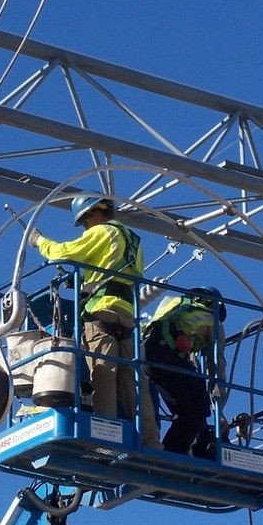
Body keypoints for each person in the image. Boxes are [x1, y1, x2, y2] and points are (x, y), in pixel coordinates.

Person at [28, 195, 161, 449]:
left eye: (85, 222)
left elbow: (62, 253)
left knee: (104, 375)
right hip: (127, 316)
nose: (86, 228)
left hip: (101, 313)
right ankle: (151, 442)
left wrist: (38, 241)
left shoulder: (102, 232)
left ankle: (107, 439)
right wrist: (82, 281)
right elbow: (112, 270)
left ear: (93, 214)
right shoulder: (133, 240)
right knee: (134, 383)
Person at [143, 287, 227, 456]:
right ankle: (170, 456)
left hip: (145, 354)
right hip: (166, 356)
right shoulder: (212, 321)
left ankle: (195, 446)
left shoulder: (172, 304)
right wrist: (219, 410)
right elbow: (216, 365)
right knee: (198, 407)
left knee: (187, 410)